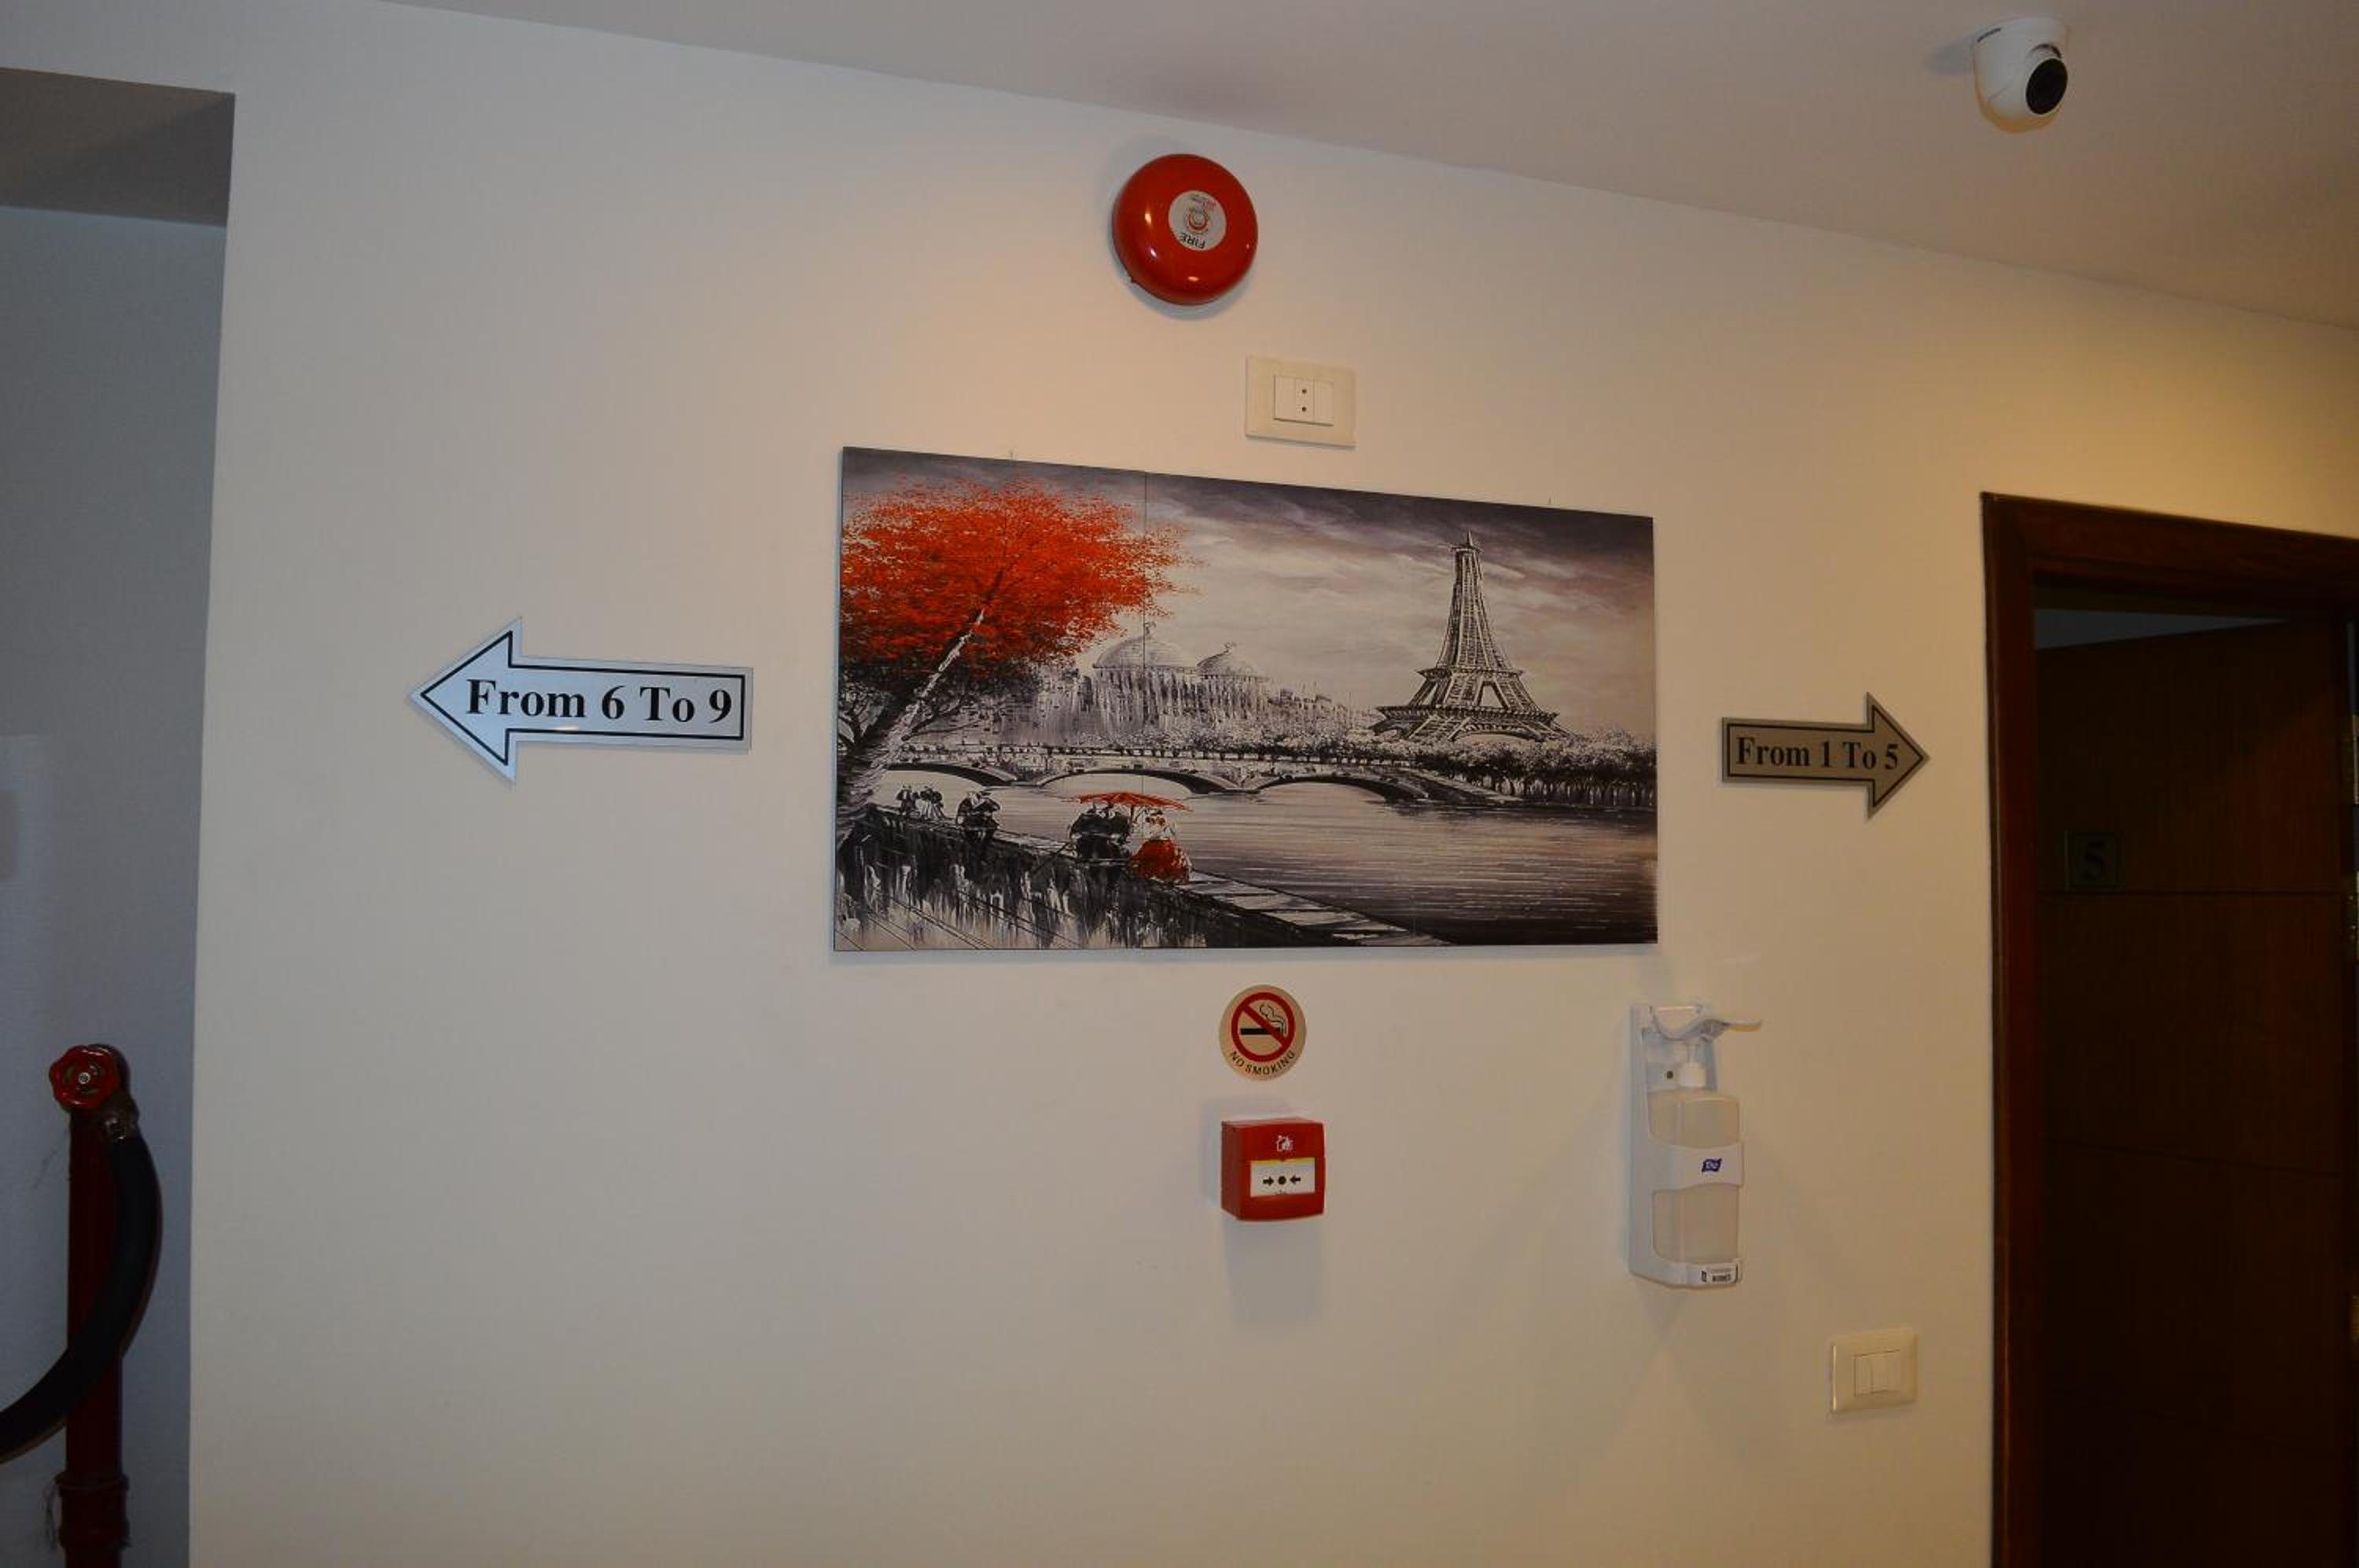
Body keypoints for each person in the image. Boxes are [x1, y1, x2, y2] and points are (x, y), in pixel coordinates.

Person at [1128, 808, 1191, 883]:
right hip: (1162, 844)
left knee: (1161, 857)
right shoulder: (1151, 823)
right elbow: (1148, 835)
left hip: (1159, 845)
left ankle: (1163, 876)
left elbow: (1148, 835)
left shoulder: (1159, 823)